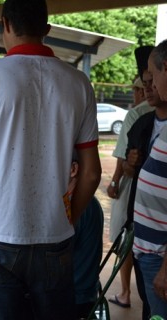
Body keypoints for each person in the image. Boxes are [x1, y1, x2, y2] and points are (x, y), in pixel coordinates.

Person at [0, 0, 101, 319]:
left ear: (4, 24)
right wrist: (67, 219)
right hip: (54, 235)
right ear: (47, 29)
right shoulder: (78, 83)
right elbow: (90, 175)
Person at [107, 46, 154, 309]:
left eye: (146, 85)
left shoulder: (136, 115)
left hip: (134, 193)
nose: (143, 91)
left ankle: (125, 292)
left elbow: (124, 163)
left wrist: (115, 182)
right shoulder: (141, 117)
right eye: (141, 86)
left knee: (125, 239)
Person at [131, 39, 167, 318]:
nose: (149, 86)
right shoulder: (144, 123)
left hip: (160, 259)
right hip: (150, 254)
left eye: (152, 77)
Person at [68, 161, 104, 319]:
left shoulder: (77, 205)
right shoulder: (86, 200)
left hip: (75, 296)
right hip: (84, 290)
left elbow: (50, 253)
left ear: (73, 170)